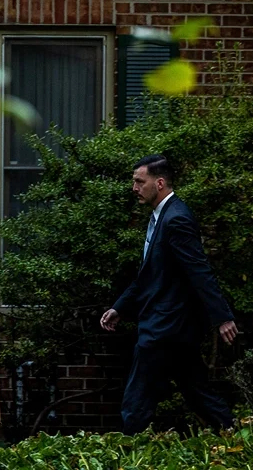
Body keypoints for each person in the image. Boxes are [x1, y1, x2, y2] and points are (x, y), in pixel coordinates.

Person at [99, 155, 238, 435]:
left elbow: (199, 271)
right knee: (198, 392)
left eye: (140, 181)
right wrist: (120, 308)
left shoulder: (176, 219)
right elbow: (151, 275)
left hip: (164, 325)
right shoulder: (163, 216)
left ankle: (126, 451)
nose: (134, 187)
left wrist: (221, 317)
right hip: (174, 327)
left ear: (159, 183)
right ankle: (236, 435)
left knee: (137, 399)